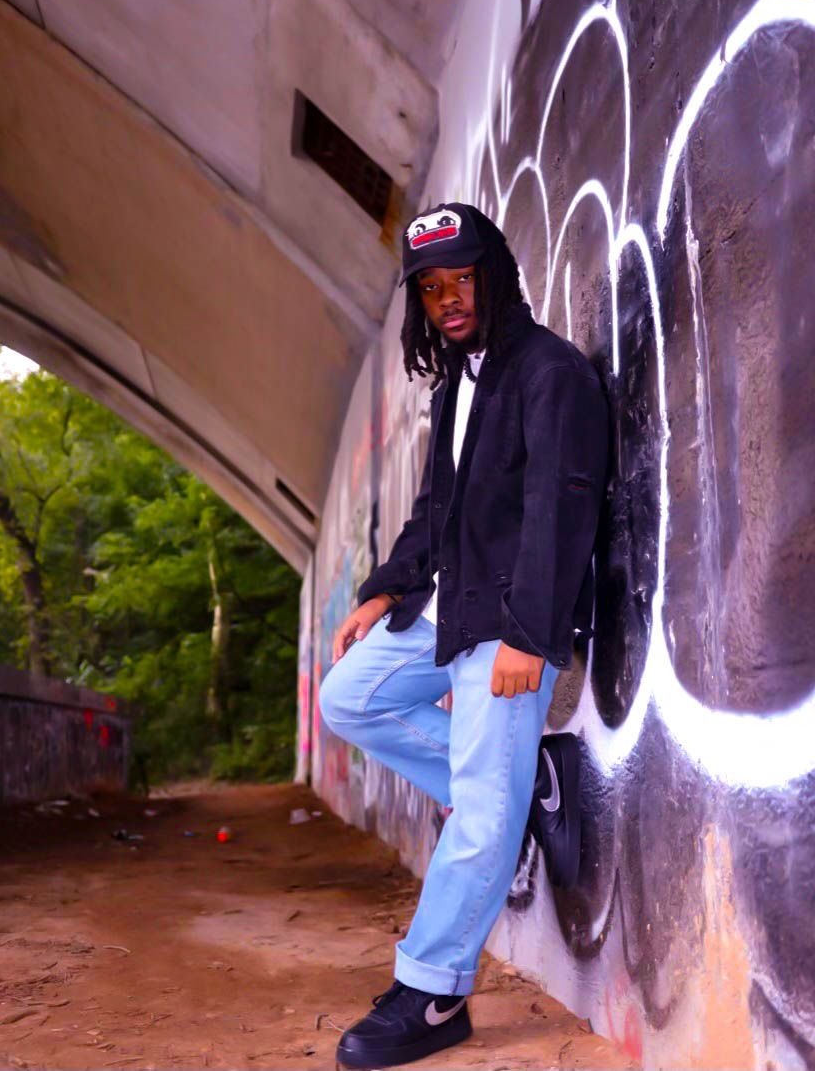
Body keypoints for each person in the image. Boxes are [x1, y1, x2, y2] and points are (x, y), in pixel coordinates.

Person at [319, 202, 609, 1069]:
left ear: (496, 276)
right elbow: (434, 510)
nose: (447, 298)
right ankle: (521, 789)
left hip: (509, 618)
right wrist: (385, 588)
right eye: (430, 287)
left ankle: (435, 991)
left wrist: (529, 633)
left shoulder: (549, 372)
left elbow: (562, 508)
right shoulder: (455, 383)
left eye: (462, 278)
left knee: (481, 807)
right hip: (448, 605)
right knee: (350, 697)